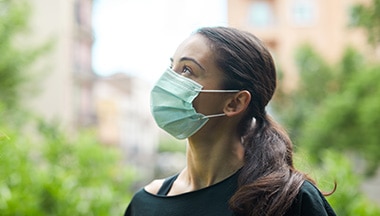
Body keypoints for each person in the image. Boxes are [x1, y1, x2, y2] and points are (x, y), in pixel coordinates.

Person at [124, 26, 336, 216]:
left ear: (235, 103)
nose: (168, 82)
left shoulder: (287, 201)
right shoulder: (145, 204)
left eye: (187, 70)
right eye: (172, 68)